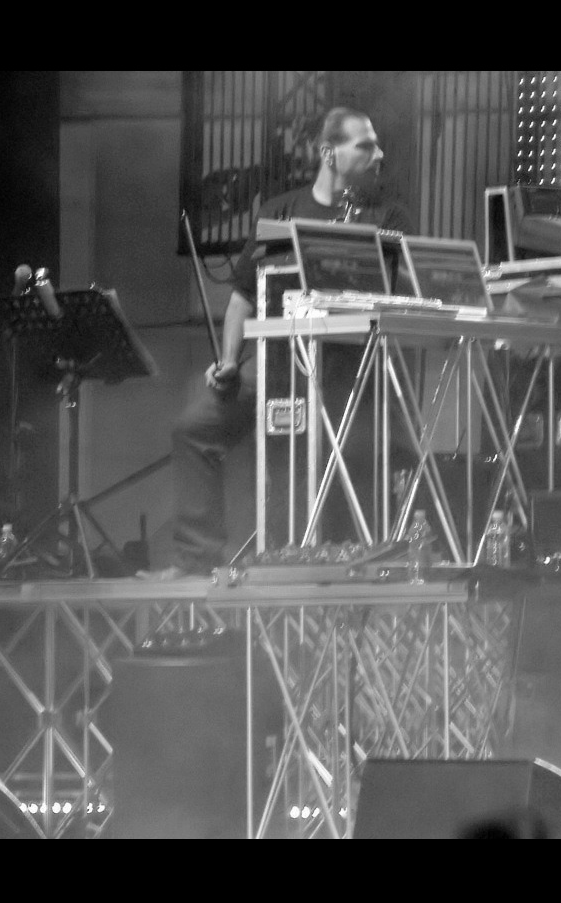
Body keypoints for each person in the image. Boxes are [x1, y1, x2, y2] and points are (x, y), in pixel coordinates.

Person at [141, 107, 415, 580]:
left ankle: (335, 568)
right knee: (193, 429)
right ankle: (196, 558)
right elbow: (242, 298)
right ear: (329, 154)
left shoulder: (387, 216)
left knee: (327, 457)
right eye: (365, 145)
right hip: (276, 364)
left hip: (348, 368)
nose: (380, 154)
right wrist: (228, 361)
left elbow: (407, 288)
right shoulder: (280, 211)